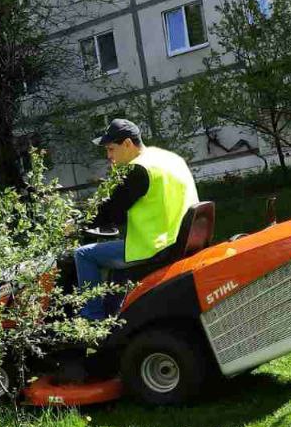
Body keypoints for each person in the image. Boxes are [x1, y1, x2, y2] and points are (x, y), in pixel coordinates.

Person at [72, 118, 199, 320]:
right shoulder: (168, 158)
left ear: (128, 144)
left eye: (111, 149)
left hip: (153, 246)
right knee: (118, 268)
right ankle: (115, 313)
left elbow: (111, 212)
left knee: (83, 254)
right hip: (178, 238)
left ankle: (91, 321)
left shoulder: (138, 169)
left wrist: (76, 226)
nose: (109, 156)